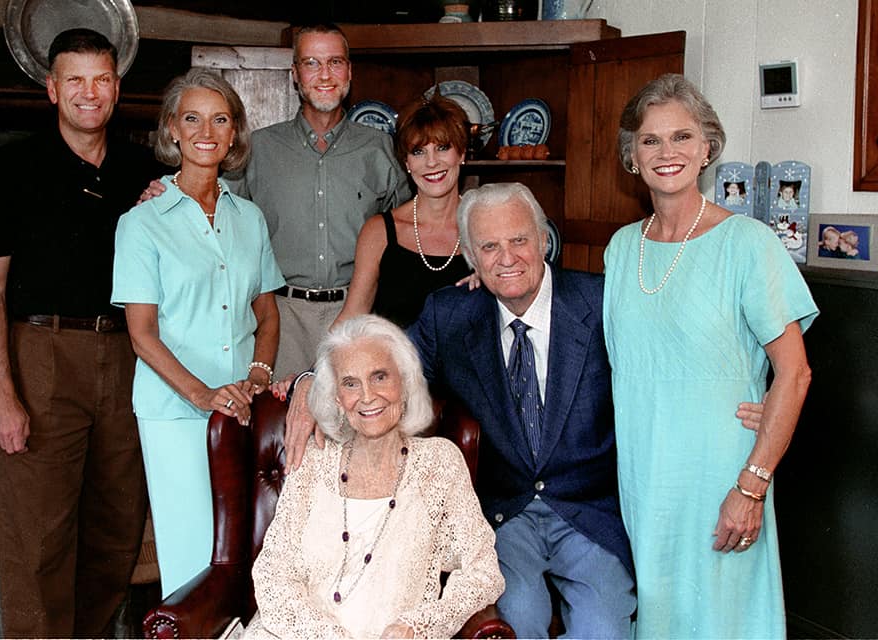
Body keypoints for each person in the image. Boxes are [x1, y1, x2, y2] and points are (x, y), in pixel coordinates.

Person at [287, 183, 638, 638]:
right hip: (504, 516)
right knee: (512, 625)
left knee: (604, 632)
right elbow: (385, 365)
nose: (506, 258)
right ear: (471, 257)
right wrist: (311, 380)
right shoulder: (451, 314)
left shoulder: (602, 302)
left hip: (587, 512)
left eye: (518, 241)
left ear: (543, 240)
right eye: (489, 247)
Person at [607, 73, 818, 638]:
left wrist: (750, 487)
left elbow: (793, 374)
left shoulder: (748, 243)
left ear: (707, 148)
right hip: (646, 479)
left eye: (682, 137)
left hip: (722, 476)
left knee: (724, 619)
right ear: (632, 154)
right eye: (650, 140)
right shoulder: (621, 248)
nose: (666, 152)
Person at [0, 28, 158, 637]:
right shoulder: (10, 168)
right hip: (42, 354)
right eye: (74, 79)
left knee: (116, 526)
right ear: (51, 89)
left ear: (117, 89)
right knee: (39, 535)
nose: (88, 92)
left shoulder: (141, 170)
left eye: (101, 79)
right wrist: (1, 393)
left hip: (128, 355)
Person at [111, 68, 284, 597]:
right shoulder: (141, 223)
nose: (206, 130)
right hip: (176, 413)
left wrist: (256, 378)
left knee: (252, 555)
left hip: (241, 408)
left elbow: (268, 314)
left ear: (234, 134)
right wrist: (203, 394)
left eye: (220, 119)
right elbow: (142, 335)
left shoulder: (250, 218)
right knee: (190, 561)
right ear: (172, 131)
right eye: (192, 118)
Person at [243, 315, 504, 639]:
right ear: (337, 398)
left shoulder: (440, 463)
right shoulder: (312, 460)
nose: (367, 396)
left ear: (405, 382)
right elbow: (273, 574)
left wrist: (419, 625)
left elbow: (483, 573)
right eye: (350, 383)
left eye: (380, 377)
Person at [229, 23, 411, 377]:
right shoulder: (258, 149)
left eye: (335, 62)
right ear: (295, 75)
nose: (325, 74)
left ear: (349, 71)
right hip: (280, 319)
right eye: (312, 63)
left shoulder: (379, 148)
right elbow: (213, 212)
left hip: (358, 312)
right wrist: (165, 190)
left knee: (355, 425)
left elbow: (412, 226)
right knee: (281, 428)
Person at [332, 94, 473, 329]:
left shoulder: (485, 227)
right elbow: (351, 318)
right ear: (406, 163)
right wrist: (317, 365)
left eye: (442, 148)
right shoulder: (379, 231)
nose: (431, 162)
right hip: (396, 365)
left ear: (461, 154)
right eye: (418, 151)